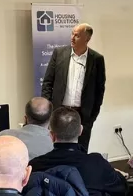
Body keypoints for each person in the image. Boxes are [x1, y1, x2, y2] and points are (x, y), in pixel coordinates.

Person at [41, 23, 105, 151]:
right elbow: (47, 82)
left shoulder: (97, 59)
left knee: (81, 151)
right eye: (72, 34)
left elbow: (99, 90)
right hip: (59, 111)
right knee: (56, 150)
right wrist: (50, 109)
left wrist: (92, 117)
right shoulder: (59, 53)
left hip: (82, 115)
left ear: (87, 39)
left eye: (77, 35)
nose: (72, 38)